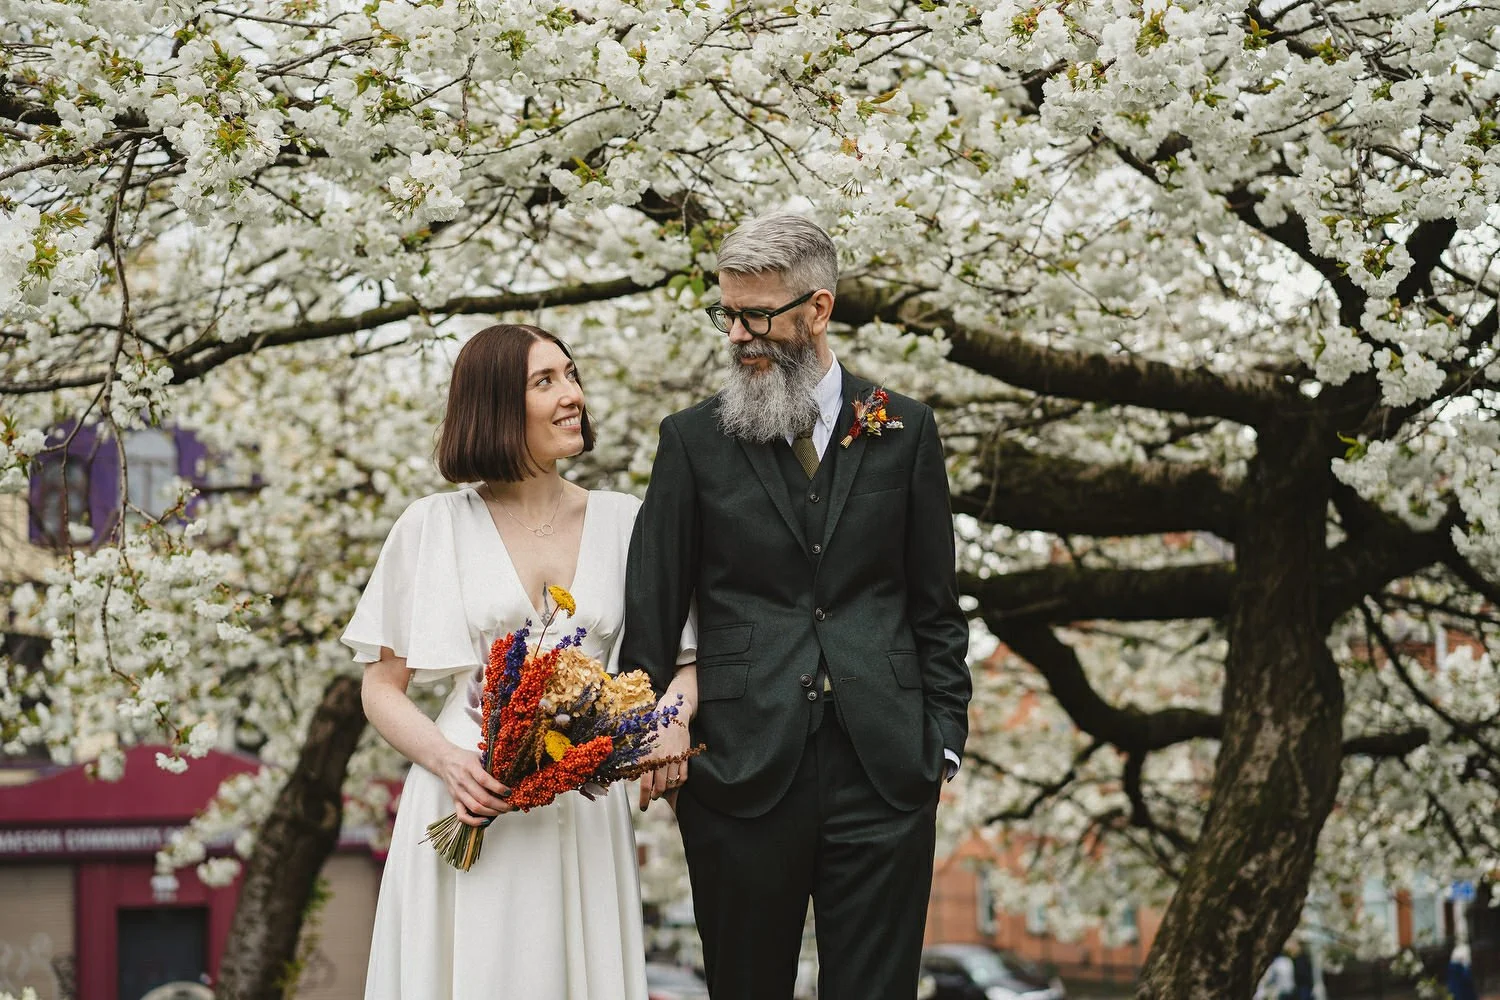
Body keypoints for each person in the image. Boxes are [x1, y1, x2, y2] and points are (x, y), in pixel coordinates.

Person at [623, 214, 972, 1000]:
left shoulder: (907, 431)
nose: (739, 334)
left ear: (819, 310)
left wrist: (941, 741)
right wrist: (655, 737)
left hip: (885, 772)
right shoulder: (691, 442)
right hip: (737, 776)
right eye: (728, 314)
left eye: (759, 315)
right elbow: (653, 607)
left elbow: (936, 608)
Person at [342, 324, 697, 1000]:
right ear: (497, 406)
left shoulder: (628, 520)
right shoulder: (431, 525)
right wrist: (451, 765)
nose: (573, 395)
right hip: (470, 790)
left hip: (583, 799)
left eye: (571, 374)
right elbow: (382, 688)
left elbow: (694, 655)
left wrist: (672, 722)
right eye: (546, 382)